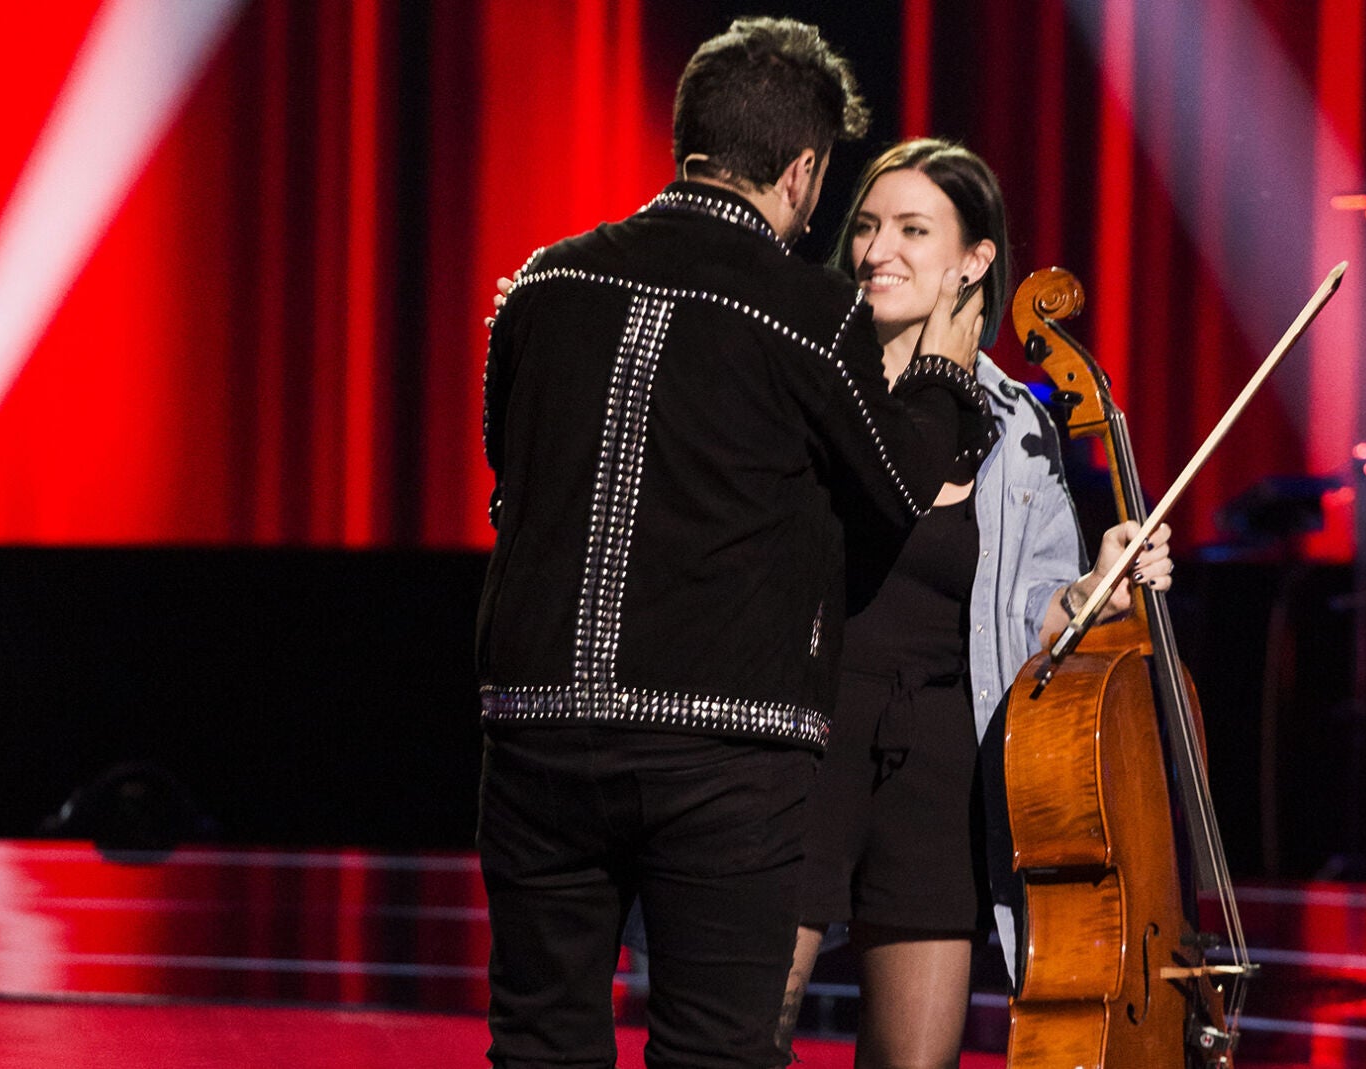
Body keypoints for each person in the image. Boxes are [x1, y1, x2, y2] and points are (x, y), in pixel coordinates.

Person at [475, 20, 990, 1069]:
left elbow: (508, 489)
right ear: (804, 170)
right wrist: (942, 374)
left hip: (536, 732)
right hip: (725, 751)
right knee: (713, 1048)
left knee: (541, 1041)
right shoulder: (809, 312)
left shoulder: (539, 285)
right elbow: (896, 488)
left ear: (685, 138)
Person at [773, 139, 1175, 1068]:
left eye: (914, 230)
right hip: (809, 734)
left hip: (943, 762)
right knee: (746, 1029)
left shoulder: (1020, 422)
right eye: (868, 226)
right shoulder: (812, 384)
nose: (879, 250)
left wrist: (1091, 587)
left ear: (975, 259)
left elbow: (1036, 610)